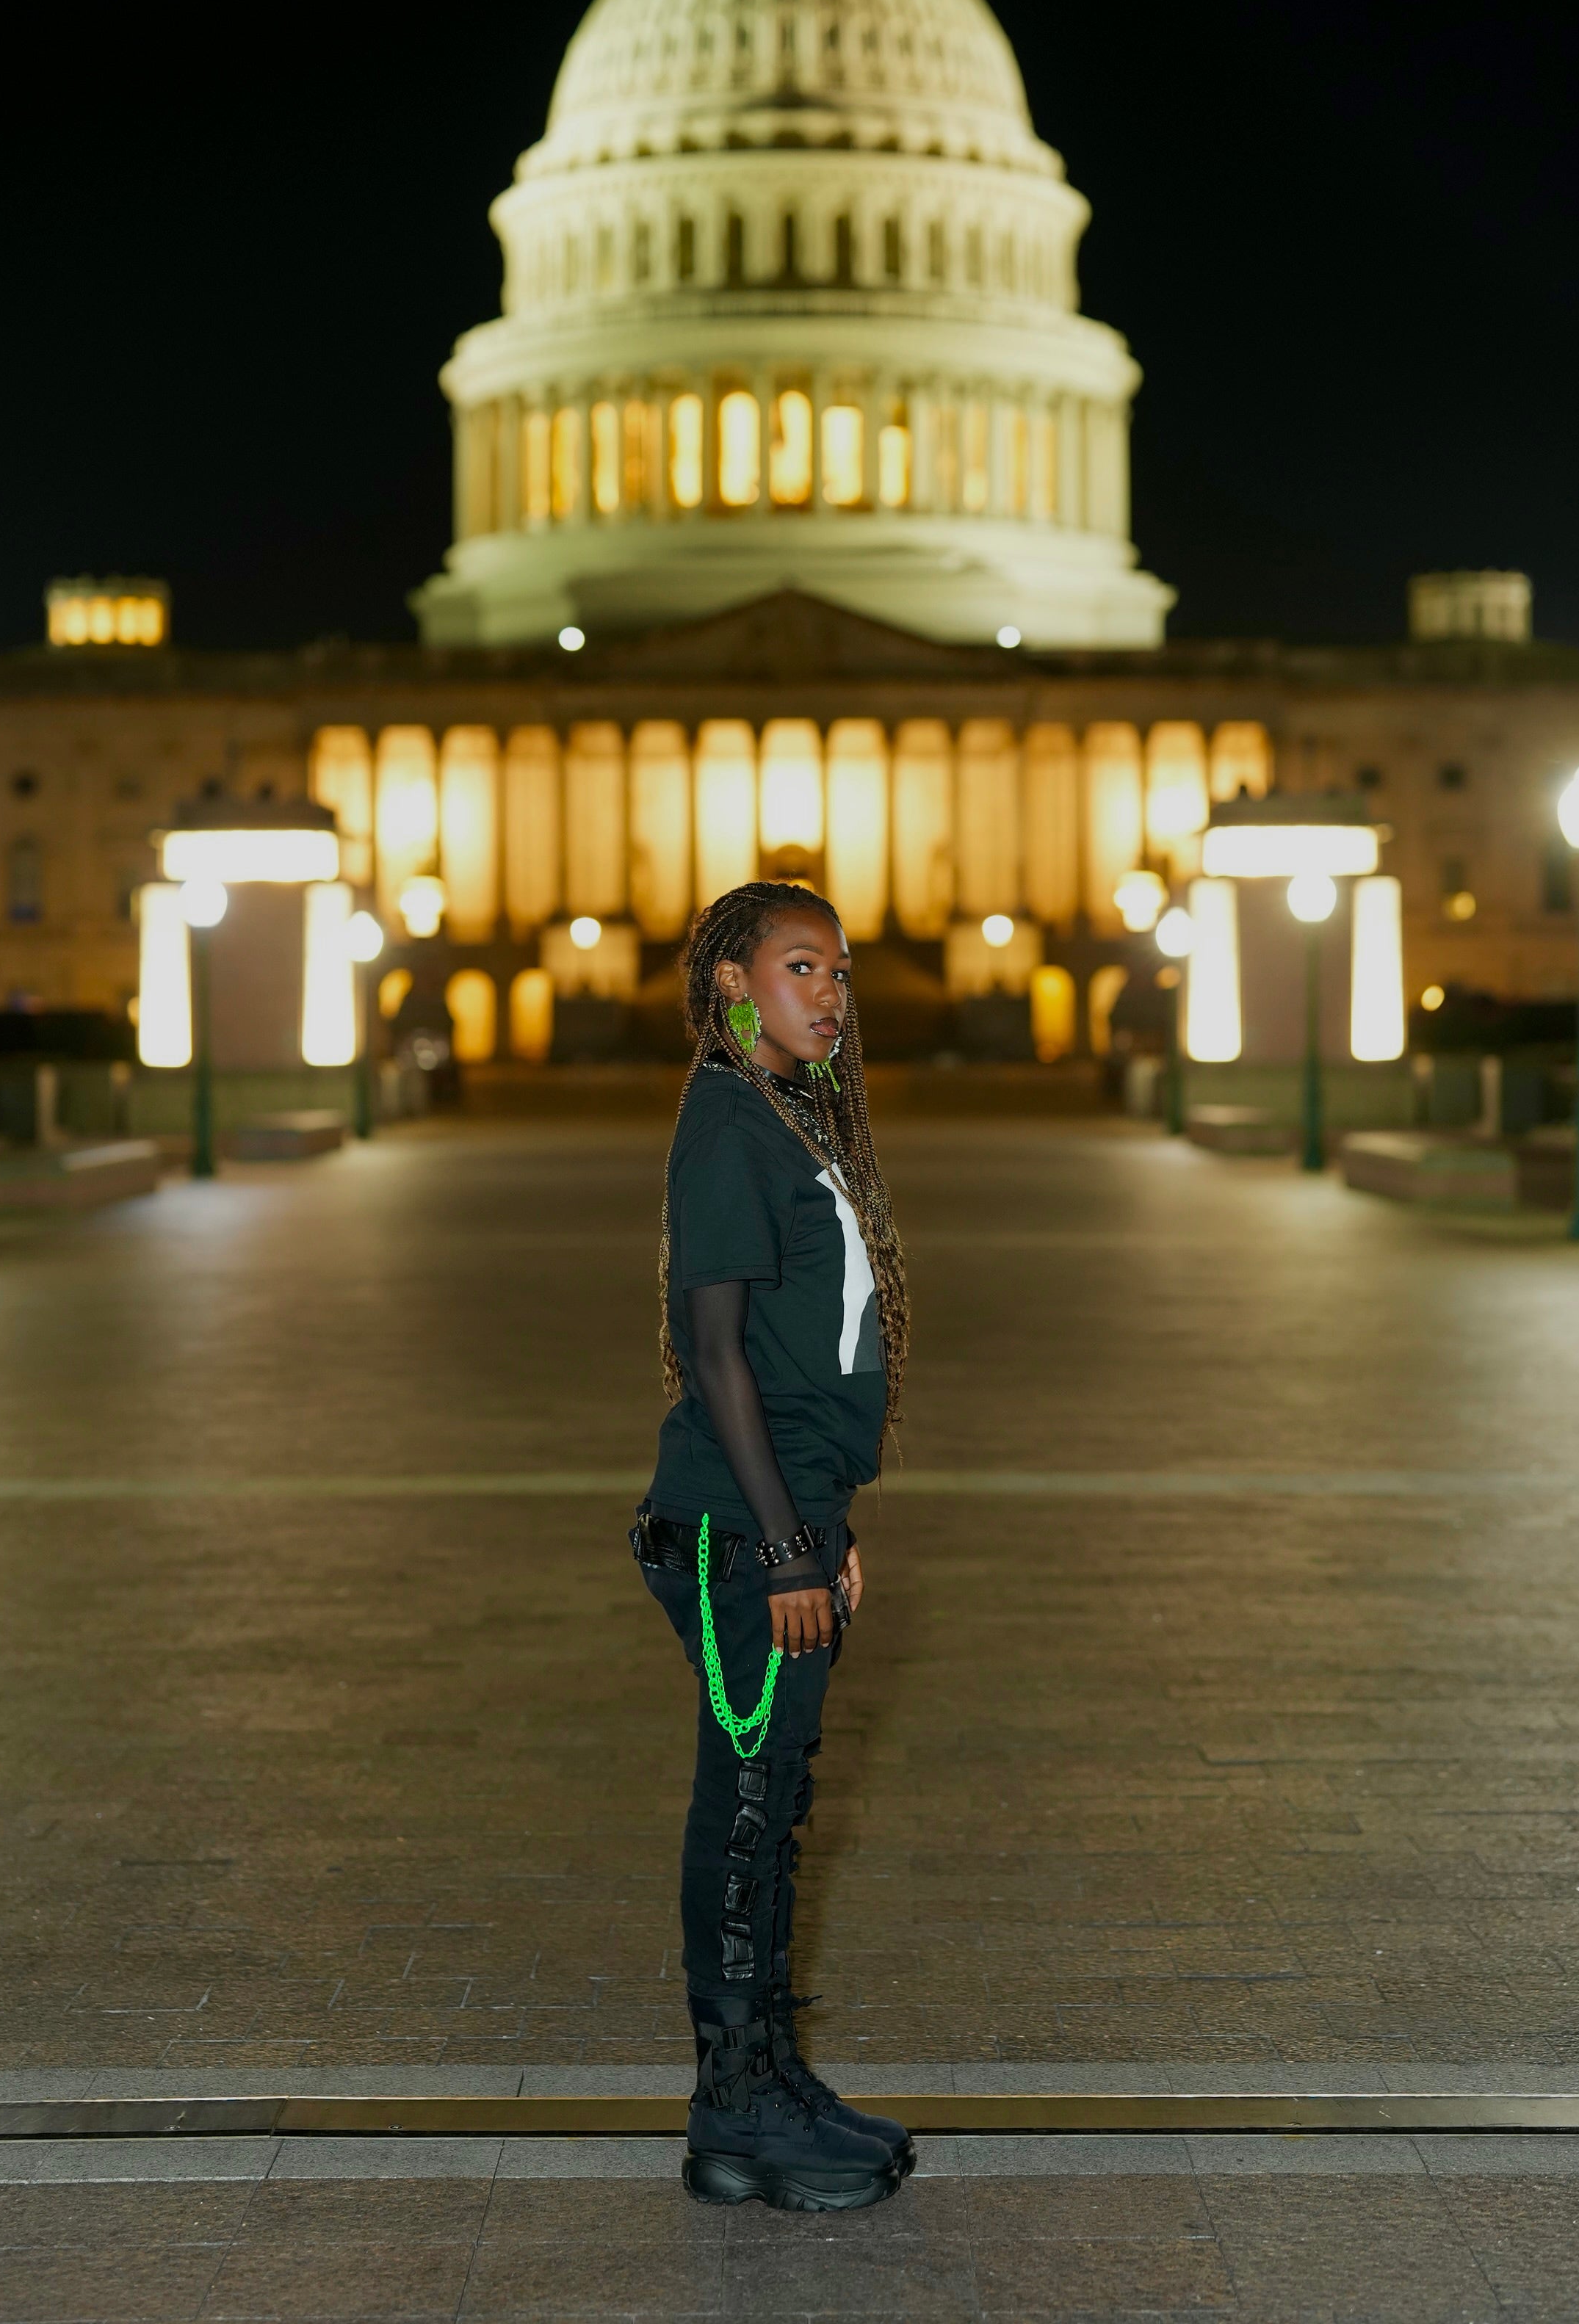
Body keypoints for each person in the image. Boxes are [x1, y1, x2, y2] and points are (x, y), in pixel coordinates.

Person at [632, 879, 914, 2212]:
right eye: (802, 966)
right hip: (743, 1536)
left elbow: (811, 1355)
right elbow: (719, 1355)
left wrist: (826, 1523)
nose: (831, 994)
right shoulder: (727, 1125)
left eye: (842, 973)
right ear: (733, 981)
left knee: (777, 1813)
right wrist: (790, 1547)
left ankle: (765, 2085)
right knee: (745, 1818)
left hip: (782, 1523)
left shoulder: (774, 1120)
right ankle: (733, 2109)